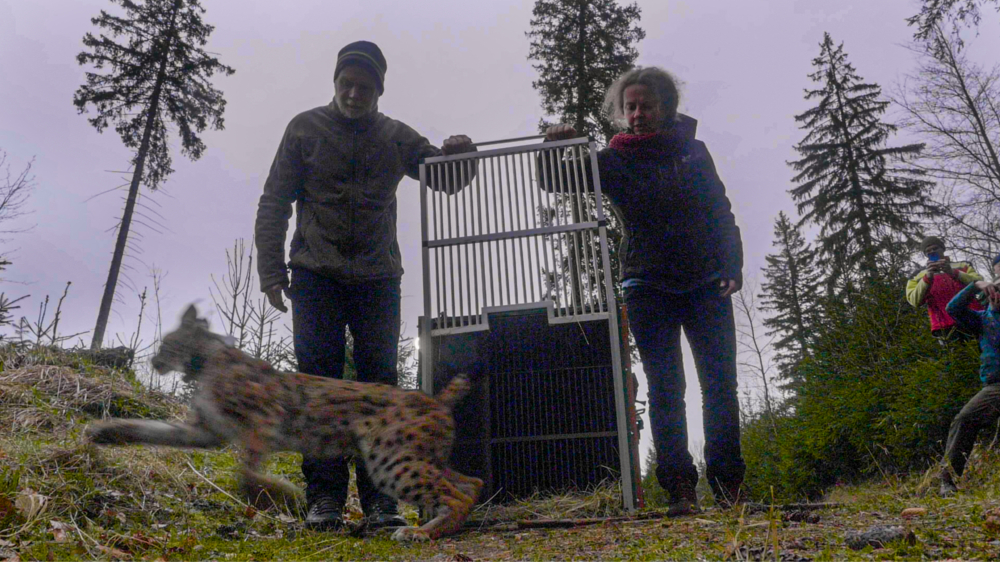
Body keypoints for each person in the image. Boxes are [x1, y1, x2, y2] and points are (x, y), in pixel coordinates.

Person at [254, 40, 475, 530]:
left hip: (377, 277)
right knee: (318, 390)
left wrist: (464, 155)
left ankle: (381, 503)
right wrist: (271, 270)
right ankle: (325, 500)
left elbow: (445, 176)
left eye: (365, 87)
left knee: (380, 387)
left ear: (379, 90)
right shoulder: (304, 128)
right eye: (346, 84)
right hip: (315, 274)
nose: (354, 94)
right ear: (335, 83)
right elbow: (274, 202)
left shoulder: (395, 136)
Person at [544, 66, 744, 514]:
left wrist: (733, 264)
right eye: (630, 106)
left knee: (720, 385)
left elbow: (720, 208)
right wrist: (551, 145)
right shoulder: (613, 160)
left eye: (646, 105)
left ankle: (729, 484)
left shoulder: (694, 152)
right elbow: (558, 181)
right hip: (647, 283)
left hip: (707, 281)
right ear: (621, 111)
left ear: (665, 107)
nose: (637, 114)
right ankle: (680, 488)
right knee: (665, 386)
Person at [938, 273, 1000, 497]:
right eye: (995, 289)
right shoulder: (982, 319)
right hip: (996, 387)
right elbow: (952, 309)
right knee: (964, 419)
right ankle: (948, 480)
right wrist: (975, 285)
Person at [906, 236, 983, 341]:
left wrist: (953, 272)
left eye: (935, 248)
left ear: (943, 249)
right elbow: (914, 301)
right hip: (945, 326)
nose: (932, 252)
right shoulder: (917, 276)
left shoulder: (962, 265)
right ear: (925, 255)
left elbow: (979, 282)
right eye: (928, 251)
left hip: (975, 317)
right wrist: (927, 278)